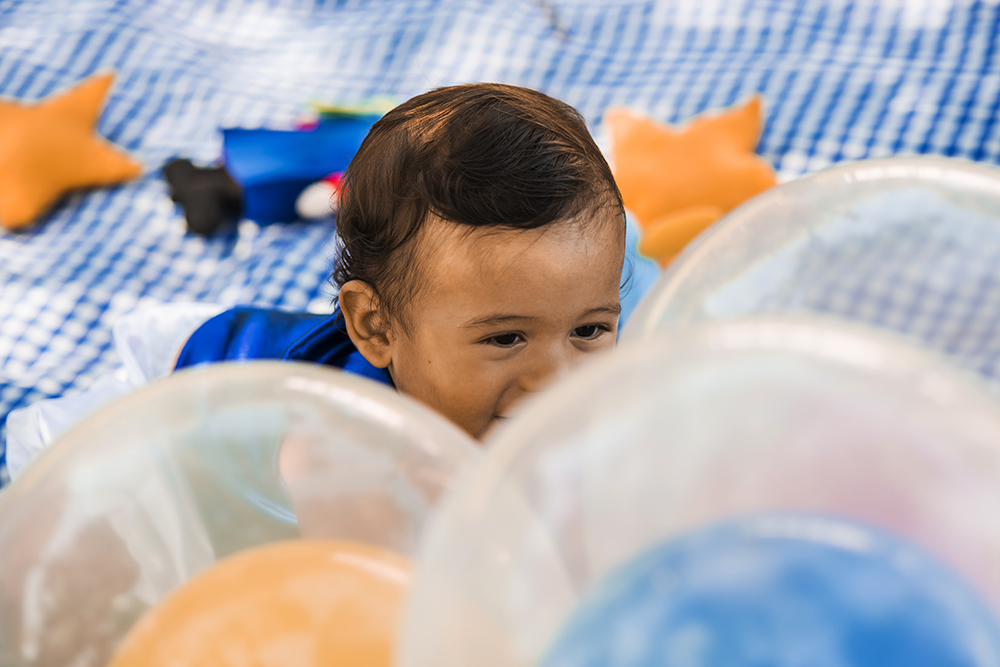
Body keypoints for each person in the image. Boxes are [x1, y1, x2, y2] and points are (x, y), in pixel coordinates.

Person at [5, 83, 627, 475]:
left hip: (279, 346)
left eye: (590, 330)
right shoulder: (342, 454)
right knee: (62, 483)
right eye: (506, 338)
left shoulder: (507, 384)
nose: (558, 380)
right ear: (376, 329)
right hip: (186, 382)